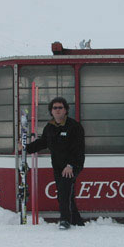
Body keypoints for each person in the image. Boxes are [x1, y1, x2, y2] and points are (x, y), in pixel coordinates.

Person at [24, 97, 85, 229]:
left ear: (66, 110)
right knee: (66, 193)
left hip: (72, 166)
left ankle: (65, 220)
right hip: (58, 166)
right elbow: (42, 142)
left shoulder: (74, 126)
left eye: (60, 108)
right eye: (55, 108)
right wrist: (25, 148)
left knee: (64, 192)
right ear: (51, 111)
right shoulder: (50, 127)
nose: (57, 110)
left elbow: (78, 149)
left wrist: (71, 165)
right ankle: (77, 221)